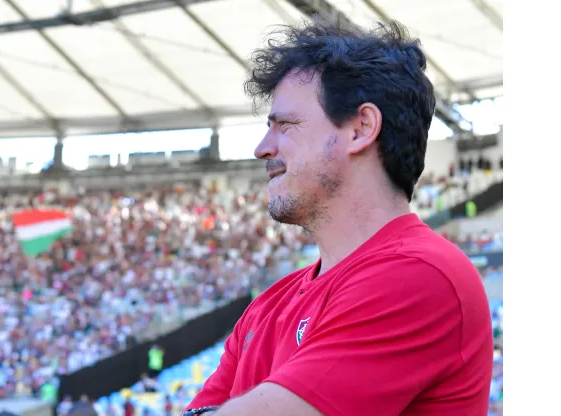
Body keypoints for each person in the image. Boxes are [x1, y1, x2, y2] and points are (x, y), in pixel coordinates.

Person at [184, 19, 493, 416]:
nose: (263, 148)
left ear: (361, 128)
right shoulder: (265, 308)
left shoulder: (421, 274)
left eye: (286, 125)